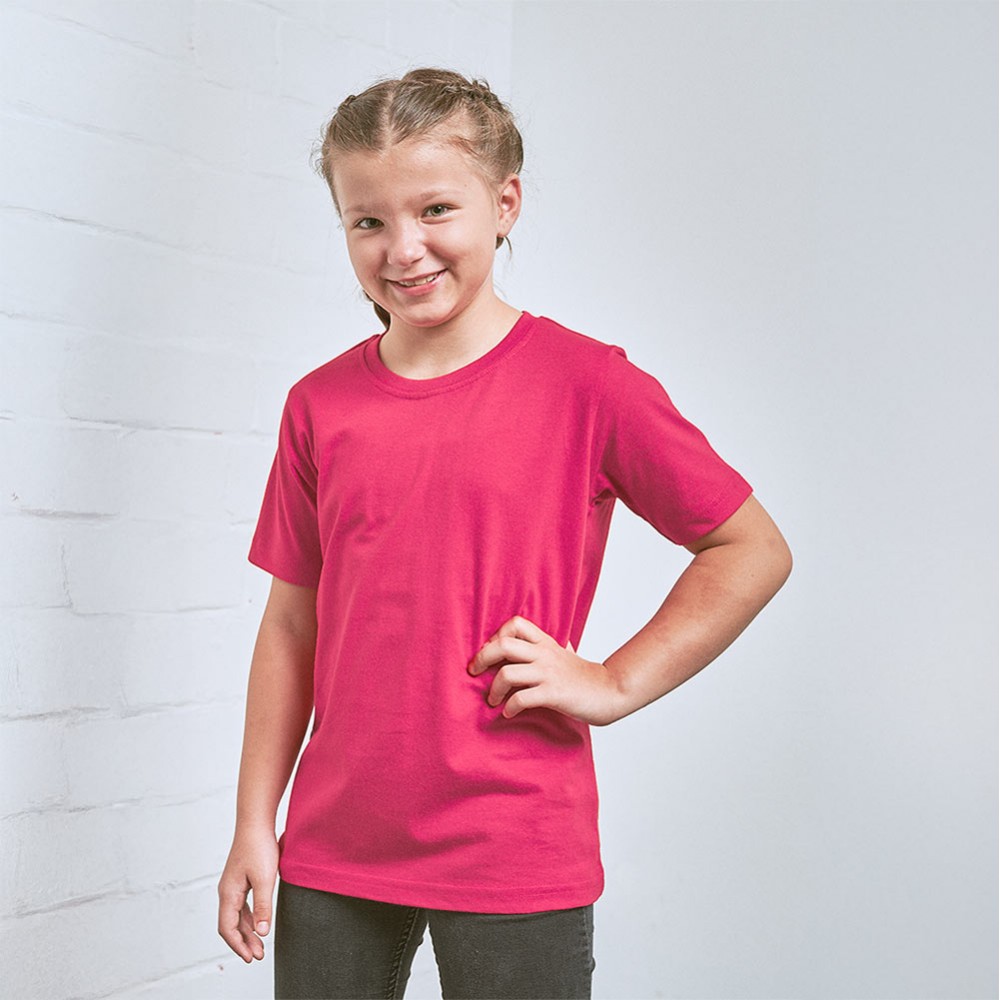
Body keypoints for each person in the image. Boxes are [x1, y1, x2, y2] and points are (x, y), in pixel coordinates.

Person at [216, 67, 792, 1000]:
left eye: (436, 209)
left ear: (505, 204)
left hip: (514, 841)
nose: (404, 248)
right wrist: (255, 821)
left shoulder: (589, 385)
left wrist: (613, 681)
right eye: (368, 221)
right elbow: (290, 624)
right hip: (333, 846)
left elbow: (751, 547)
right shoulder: (319, 405)